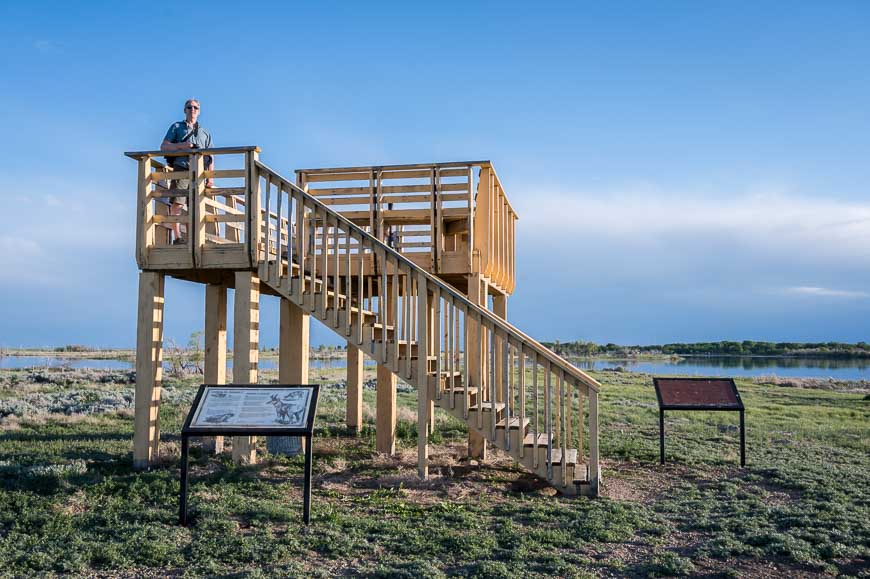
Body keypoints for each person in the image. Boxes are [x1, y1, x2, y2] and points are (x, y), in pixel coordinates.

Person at [160, 98, 214, 244]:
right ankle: (177, 238)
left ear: (199, 111)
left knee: (195, 206)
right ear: (185, 110)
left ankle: (192, 239)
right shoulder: (177, 127)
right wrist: (182, 145)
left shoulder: (205, 133)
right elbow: (164, 146)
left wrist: (210, 178)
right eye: (189, 107)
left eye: (195, 108)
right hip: (181, 168)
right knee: (177, 203)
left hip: (199, 173)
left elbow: (211, 156)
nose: (192, 110)